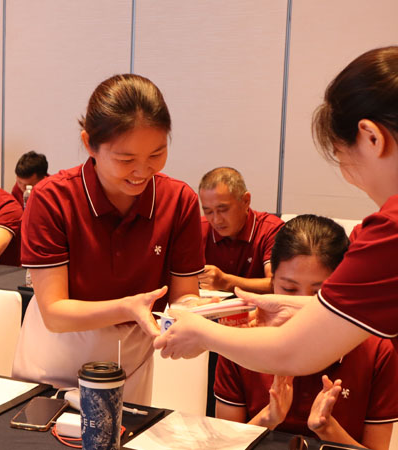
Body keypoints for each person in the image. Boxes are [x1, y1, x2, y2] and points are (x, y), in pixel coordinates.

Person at [154, 46, 398, 377]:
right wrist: (295, 305)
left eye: (342, 157)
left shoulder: (390, 230)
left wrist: (202, 332)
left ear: (371, 138)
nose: (350, 177)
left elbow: (294, 352)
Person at [11, 74, 205, 404]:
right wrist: (127, 307)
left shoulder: (178, 201)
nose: (142, 172)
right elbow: (55, 312)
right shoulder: (53, 198)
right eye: (126, 159)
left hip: (129, 368)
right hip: (52, 368)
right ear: (89, 144)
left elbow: (184, 296)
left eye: (156, 154)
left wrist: (201, 313)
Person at [215, 215, 398, 449]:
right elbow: (225, 446)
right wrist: (268, 419)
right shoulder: (240, 341)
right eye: (289, 289)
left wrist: (327, 429)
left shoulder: (376, 350)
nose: (300, 306)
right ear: (272, 282)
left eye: (320, 294)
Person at [198, 167, 284, 294]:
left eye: (223, 209)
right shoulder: (198, 229)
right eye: (208, 211)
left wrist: (226, 282)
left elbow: (278, 284)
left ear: (245, 201)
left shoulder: (271, 229)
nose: (216, 220)